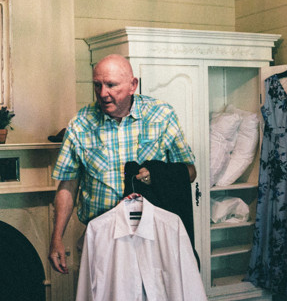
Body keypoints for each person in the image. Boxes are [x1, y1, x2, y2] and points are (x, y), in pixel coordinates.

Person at [49, 54, 196, 273]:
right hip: (101, 238)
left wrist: (155, 174)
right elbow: (68, 184)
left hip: (154, 238)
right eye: (97, 85)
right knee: (101, 296)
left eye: (111, 85)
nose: (102, 93)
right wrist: (56, 238)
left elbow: (190, 172)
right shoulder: (80, 124)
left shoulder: (162, 115)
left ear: (132, 85)